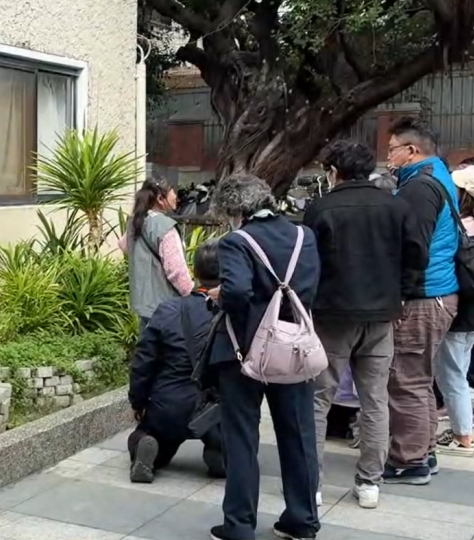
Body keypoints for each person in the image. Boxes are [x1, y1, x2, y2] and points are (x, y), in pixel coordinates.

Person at [304, 140, 424, 509]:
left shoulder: (321, 208)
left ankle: (311, 483)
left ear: (334, 171)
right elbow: (416, 255)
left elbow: (308, 261)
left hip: (332, 315)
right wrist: (401, 294)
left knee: (318, 399)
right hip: (382, 314)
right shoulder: (395, 206)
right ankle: (370, 481)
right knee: (375, 399)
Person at [207, 175, 321, 540]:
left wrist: (221, 297)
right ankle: (302, 520)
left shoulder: (236, 241)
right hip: (295, 348)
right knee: (299, 435)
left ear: (235, 210)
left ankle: (239, 525)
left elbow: (237, 292)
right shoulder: (304, 236)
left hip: (245, 353)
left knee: (241, 437)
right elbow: (311, 287)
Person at [385, 117, 460, 484]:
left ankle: (408, 460)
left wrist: (402, 295)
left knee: (406, 379)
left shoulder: (418, 188)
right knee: (419, 378)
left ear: (411, 150)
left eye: (392, 150)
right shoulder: (438, 176)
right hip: (438, 294)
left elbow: (414, 249)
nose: (388, 158)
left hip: (423, 297)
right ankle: (423, 451)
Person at [127, 240, 225, 483]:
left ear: (195, 272)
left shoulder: (167, 309)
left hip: (168, 405)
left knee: (148, 434)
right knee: (227, 433)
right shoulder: (233, 313)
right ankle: (220, 450)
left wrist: (138, 401)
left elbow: (143, 361)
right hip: (214, 408)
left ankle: (147, 444)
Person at [433, 165, 474, 457]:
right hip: (471, 313)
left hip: (459, 310)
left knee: (452, 374)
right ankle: (466, 427)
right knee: (461, 370)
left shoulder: (462, 227)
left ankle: (463, 435)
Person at [121, 176, 194, 329]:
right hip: (168, 309)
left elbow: (124, 245)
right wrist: (193, 295)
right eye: (173, 191)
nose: (176, 197)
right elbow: (176, 271)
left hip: (144, 306)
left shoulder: (136, 221)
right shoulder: (164, 226)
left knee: (147, 342)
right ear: (160, 198)